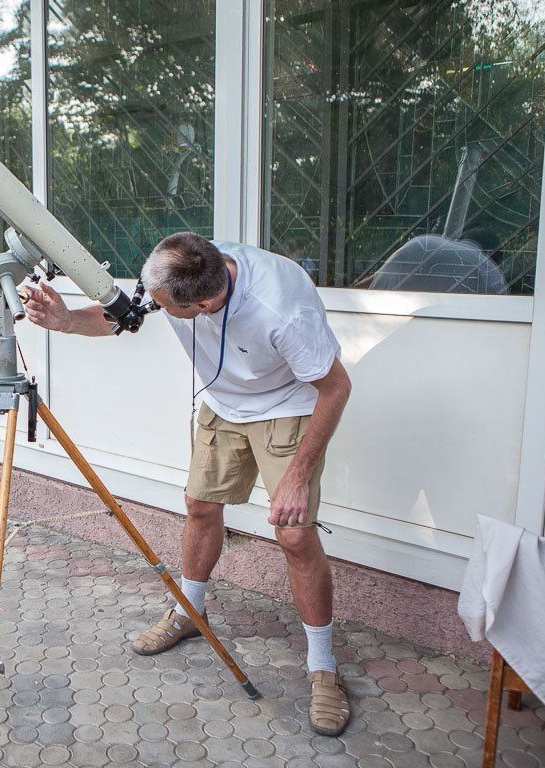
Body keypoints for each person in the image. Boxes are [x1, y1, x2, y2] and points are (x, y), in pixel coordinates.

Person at [22, 232, 353, 737]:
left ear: (203, 305)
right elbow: (125, 317)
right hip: (224, 404)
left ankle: (323, 666)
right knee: (199, 505)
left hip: (288, 407)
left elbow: (336, 388)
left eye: (164, 307)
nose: (153, 308)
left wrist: (299, 476)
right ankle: (189, 612)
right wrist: (65, 320)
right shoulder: (182, 266)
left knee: (294, 535)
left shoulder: (282, 310)